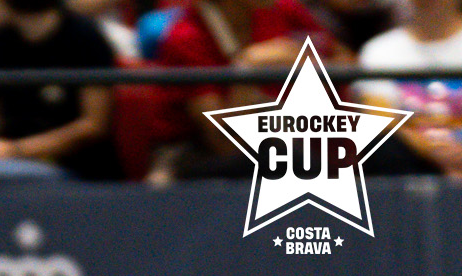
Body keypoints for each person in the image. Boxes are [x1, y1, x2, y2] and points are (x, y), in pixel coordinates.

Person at [144, 0, 341, 180]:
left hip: (266, 139)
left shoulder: (278, 12)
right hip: (191, 155)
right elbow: (225, 145)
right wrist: (246, 68)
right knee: (287, 159)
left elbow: (344, 60)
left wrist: (308, 61)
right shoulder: (185, 37)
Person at [0, 0, 120, 181]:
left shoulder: (84, 36)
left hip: (78, 167)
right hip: (15, 158)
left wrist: (13, 149)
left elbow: (93, 126)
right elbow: (5, 114)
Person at [355, 0, 462, 176]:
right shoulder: (379, 50)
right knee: (381, 145)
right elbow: (381, 119)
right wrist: (433, 151)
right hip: (413, 161)